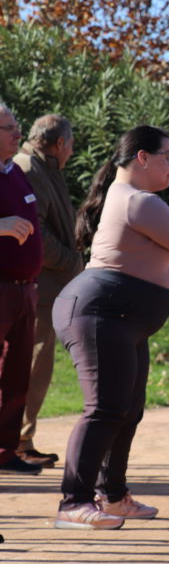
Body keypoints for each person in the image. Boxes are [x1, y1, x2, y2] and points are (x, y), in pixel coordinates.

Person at [53, 125, 169, 528]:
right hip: (101, 312)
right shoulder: (139, 200)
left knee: (128, 410)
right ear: (142, 157)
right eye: (167, 156)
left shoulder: (132, 198)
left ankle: (113, 495)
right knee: (105, 408)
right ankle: (73, 503)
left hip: (121, 318)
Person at [12, 115, 81, 468]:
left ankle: (21, 439)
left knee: (34, 366)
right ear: (59, 143)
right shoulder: (29, 168)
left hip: (45, 286)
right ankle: (17, 442)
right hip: (38, 285)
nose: (72, 152)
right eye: (71, 145)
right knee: (31, 367)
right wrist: (69, 260)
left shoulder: (42, 167)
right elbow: (35, 229)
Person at [0, 104, 44, 477]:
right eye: (9, 127)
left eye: (17, 126)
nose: (18, 133)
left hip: (24, 291)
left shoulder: (15, 171)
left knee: (17, 377)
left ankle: (5, 450)